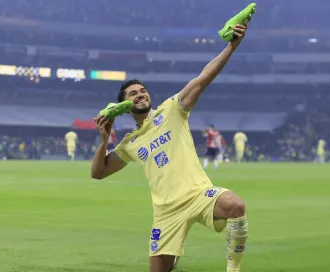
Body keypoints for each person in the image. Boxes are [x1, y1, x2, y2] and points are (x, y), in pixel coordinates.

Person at [91, 24, 249, 272]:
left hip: (199, 195)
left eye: (143, 90)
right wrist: (103, 141)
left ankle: (233, 270)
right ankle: (172, 256)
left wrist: (231, 46)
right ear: (123, 106)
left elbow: (202, 79)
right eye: (133, 94)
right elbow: (98, 172)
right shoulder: (130, 143)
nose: (141, 94)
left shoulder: (172, 110)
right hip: (166, 212)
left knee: (236, 206)